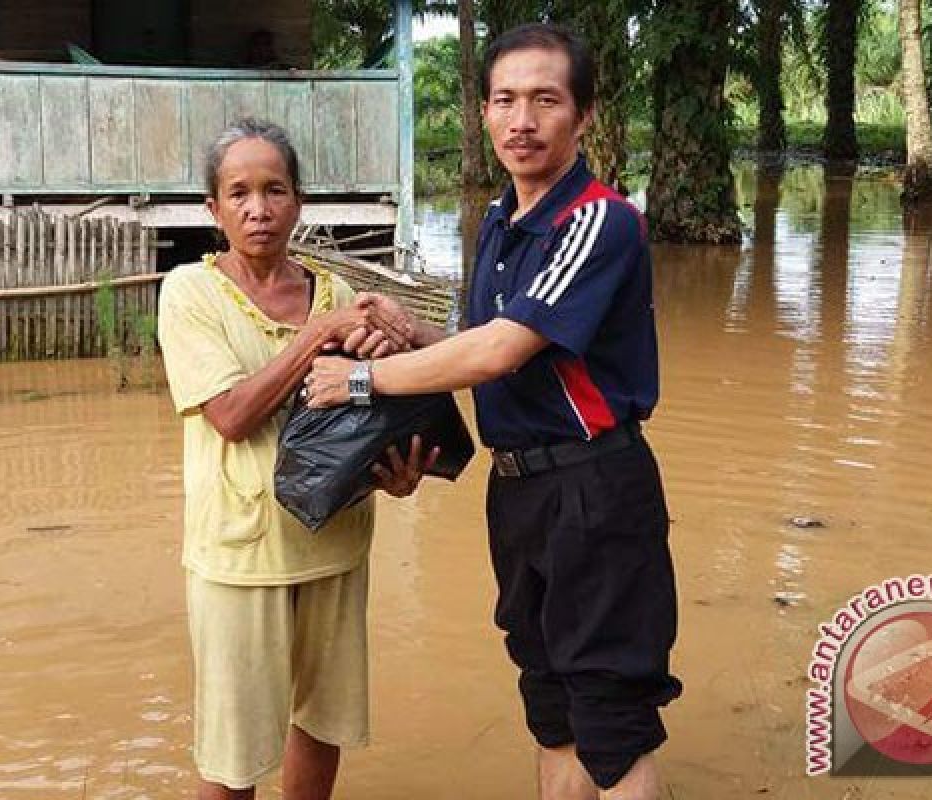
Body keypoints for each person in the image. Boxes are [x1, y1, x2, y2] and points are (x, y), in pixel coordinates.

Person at [304, 24, 680, 800]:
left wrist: (363, 381)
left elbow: (501, 352)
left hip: (595, 490)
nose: (522, 120)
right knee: (549, 700)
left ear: (583, 115)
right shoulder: (505, 225)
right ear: (481, 113)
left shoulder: (599, 221)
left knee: (610, 709)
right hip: (519, 492)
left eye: (546, 99)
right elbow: (492, 345)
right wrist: (417, 336)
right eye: (505, 100)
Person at [157, 119, 435, 800]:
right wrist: (317, 338)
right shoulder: (190, 294)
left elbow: (363, 416)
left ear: (299, 201)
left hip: (335, 542)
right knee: (232, 753)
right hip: (239, 557)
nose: (259, 209)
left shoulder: (336, 297)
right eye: (239, 193)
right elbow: (230, 416)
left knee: (322, 722)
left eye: (275, 189)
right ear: (212, 209)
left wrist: (396, 472)